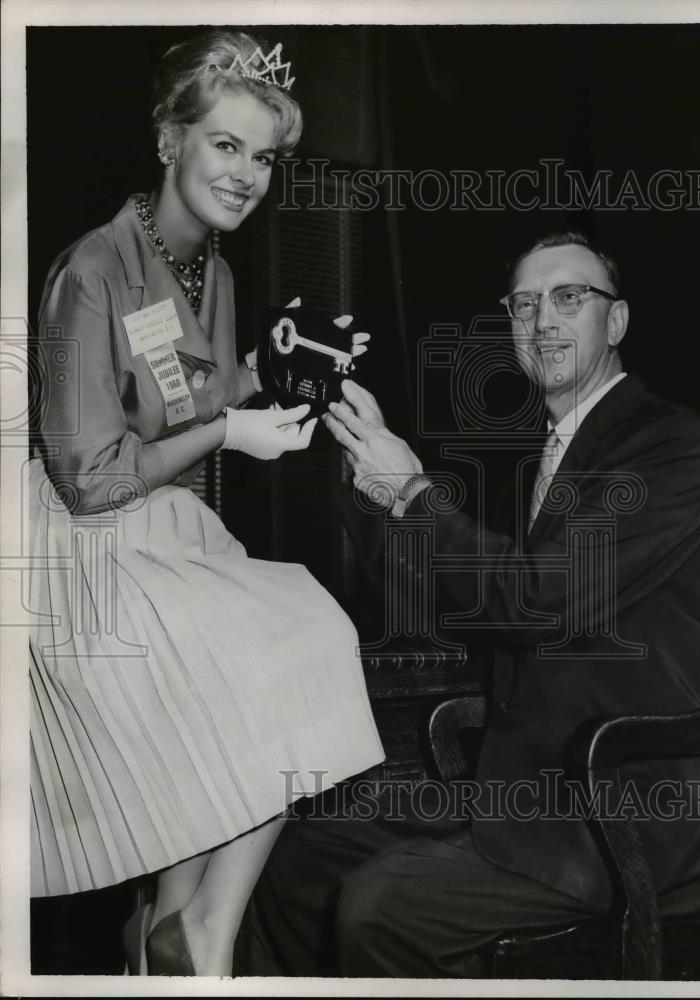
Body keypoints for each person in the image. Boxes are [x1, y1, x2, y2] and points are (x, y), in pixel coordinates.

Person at [252, 232, 700, 977]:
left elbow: (536, 600)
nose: (542, 320)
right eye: (524, 305)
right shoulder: (538, 457)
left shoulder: (671, 447)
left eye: (569, 298)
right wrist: (366, 474)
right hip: (516, 791)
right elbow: (438, 603)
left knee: (379, 907)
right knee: (299, 859)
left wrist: (412, 490)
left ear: (617, 321)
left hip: (620, 815)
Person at [29, 29, 384, 977]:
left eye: (262, 157)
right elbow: (89, 476)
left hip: (169, 532)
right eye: (225, 145)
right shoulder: (89, 271)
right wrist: (230, 432)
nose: (246, 175)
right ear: (168, 140)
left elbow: (196, 395)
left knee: (285, 660)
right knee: (297, 637)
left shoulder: (212, 271)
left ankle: (179, 926)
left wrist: (273, 364)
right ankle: (191, 930)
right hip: (82, 551)